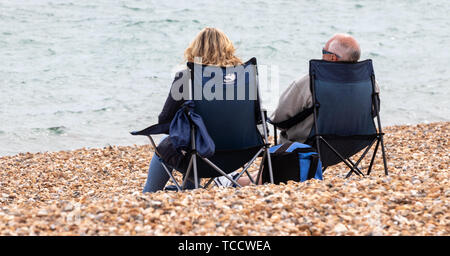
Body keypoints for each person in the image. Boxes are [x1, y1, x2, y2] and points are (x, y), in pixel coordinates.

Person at [222, 33, 379, 187]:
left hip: (310, 146)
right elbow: (374, 111)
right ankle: (237, 178)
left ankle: (233, 180)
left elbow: (279, 119)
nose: (322, 55)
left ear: (332, 57)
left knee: (286, 142)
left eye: (324, 52)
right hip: (355, 144)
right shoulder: (370, 82)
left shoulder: (310, 82)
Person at [143, 27, 242, 193]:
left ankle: (148, 194)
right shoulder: (242, 78)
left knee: (170, 145)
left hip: (199, 157)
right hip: (238, 154)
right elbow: (255, 118)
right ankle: (189, 188)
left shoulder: (186, 77)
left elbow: (165, 119)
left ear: (195, 50)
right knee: (190, 141)